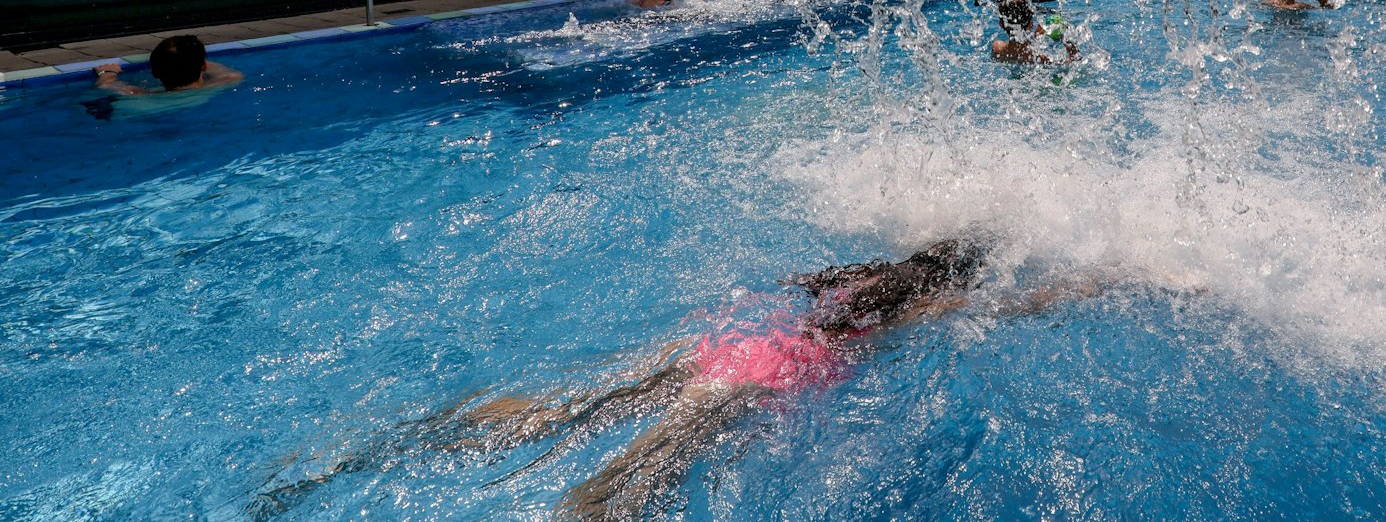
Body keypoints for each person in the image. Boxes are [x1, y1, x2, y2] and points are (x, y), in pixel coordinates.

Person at [252, 242, 1015, 522]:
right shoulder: (916, 308)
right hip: (758, 382)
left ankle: (375, 447)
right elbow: (1021, 302)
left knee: (557, 414)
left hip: (717, 348)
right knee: (621, 488)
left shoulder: (853, 275)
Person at [93, 35, 242, 96]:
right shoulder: (224, 83)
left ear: (154, 72)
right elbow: (230, 73)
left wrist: (106, 72)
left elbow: (106, 84)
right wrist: (190, 59)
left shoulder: (141, 95)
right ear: (203, 67)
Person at [985, 0, 1068, 63]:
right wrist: (1066, 39)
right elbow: (1074, 60)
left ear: (1001, 25)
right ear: (1031, 23)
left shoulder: (996, 48)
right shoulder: (1038, 58)